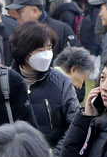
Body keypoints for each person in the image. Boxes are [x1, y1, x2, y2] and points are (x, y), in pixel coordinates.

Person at [11, 22, 77, 150]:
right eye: (40, 50)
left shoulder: (61, 82)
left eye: (49, 48)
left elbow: (74, 125)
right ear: (23, 51)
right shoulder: (6, 81)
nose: (46, 54)